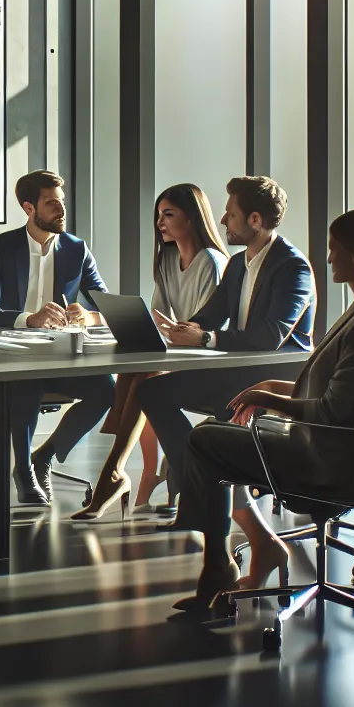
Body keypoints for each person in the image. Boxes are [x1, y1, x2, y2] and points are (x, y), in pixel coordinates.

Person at [173, 208, 354, 611]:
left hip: (324, 461)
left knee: (203, 440)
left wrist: (269, 400)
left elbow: (330, 413)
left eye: (335, 249)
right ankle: (236, 555)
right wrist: (270, 387)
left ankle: (219, 565)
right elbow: (335, 395)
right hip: (336, 450)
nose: (329, 257)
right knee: (216, 435)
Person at [135, 176, 314, 506]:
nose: (222, 220)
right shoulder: (237, 264)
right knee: (149, 391)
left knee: (172, 401)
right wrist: (184, 329)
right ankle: (196, 480)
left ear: (255, 220)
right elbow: (211, 315)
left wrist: (205, 338)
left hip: (274, 378)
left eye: (231, 215)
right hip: (241, 370)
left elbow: (271, 336)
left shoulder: (292, 267)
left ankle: (196, 485)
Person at [71, 183, 228, 520]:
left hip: (206, 359)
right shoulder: (168, 259)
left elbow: (204, 326)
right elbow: (158, 317)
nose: (160, 223)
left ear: (192, 218)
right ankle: (120, 472)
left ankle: (115, 473)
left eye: (168, 215)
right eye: (158, 215)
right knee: (135, 364)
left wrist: (174, 334)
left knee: (145, 375)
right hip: (177, 352)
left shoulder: (212, 262)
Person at [0, 170, 114, 505]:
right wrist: (29, 319)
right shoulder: (0, 247)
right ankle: (23, 471)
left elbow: (106, 303)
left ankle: (45, 455)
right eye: (51, 203)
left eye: (61, 202)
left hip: (61, 355)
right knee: (25, 383)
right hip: (14, 357)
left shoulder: (76, 249)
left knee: (107, 390)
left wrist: (89, 315)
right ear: (29, 208)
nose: (61, 210)